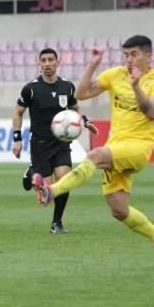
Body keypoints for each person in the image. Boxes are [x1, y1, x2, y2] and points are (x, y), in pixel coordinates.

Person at [33, 35, 154, 244]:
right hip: (115, 145)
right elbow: (80, 94)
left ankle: (51, 191)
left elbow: (150, 112)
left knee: (95, 155)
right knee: (119, 209)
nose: (129, 60)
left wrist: (135, 86)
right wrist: (92, 66)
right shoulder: (116, 75)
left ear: (148, 56)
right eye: (126, 55)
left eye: (134, 54)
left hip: (138, 147)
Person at [13, 48, 98, 233]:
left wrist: (86, 121)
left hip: (61, 142)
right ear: (39, 63)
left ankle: (56, 223)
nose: (47, 64)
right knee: (46, 193)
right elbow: (18, 112)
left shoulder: (67, 86)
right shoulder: (31, 89)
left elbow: (75, 107)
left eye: (50, 60)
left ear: (58, 63)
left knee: (64, 181)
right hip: (40, 145)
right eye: (43, 60)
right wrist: (17, 139)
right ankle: (32, 169)